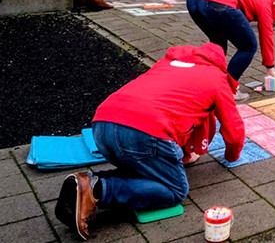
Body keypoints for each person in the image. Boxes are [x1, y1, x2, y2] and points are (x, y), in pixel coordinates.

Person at [54, 43, 245, 241]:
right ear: (220, 64)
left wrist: (183, 155)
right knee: (175, 190)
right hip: (145, 133)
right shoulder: (216, 78)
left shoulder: (166, 63)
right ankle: (98, 190)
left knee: (143, 166)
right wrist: (232, 156)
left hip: (102, 125)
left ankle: (85, 184)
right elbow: (233, 128)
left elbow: (172, 105)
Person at [186, 0, 275, 100]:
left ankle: (207, 83)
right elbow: (267, 36)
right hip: (217, 1)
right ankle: (228, 90)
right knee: (248, 46)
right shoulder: (266, 2)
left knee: (217, 43)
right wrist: (270, 68)